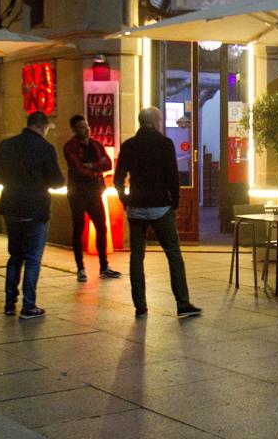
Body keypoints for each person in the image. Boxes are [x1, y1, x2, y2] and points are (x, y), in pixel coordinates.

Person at [114, 106, 200, 319]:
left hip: (136, 209)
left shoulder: (129, 145)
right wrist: (175, 202)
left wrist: (125, 199)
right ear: (154, 120)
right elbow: (173, 176)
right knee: (173, 254)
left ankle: (140, 306)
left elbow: (118, 178)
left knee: (137, 256)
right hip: (161, 207)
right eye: (160, 118)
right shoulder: (165, 144)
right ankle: (182, 302)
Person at [0, 111, 65, 319]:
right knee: (33, 257)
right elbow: (57, 181)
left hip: (11, 207)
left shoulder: (6, 145)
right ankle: (29, 305)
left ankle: (9, 302)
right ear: (43, 127)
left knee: (15, 255)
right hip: (35, 209)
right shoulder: (45, 148)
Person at [63, 114, 121, 283]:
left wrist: (92, 166)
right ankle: (80, 268)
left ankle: (104, 266)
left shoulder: (96, 144)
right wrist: (97, 167)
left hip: (95, 192)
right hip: (77, 193)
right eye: (82, 127)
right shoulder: (70, 147)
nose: (87, 129)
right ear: (74, 129)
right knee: (78, 229)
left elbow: (108, 164)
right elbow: (79, 169)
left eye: (87, 126)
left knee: (101, 227)